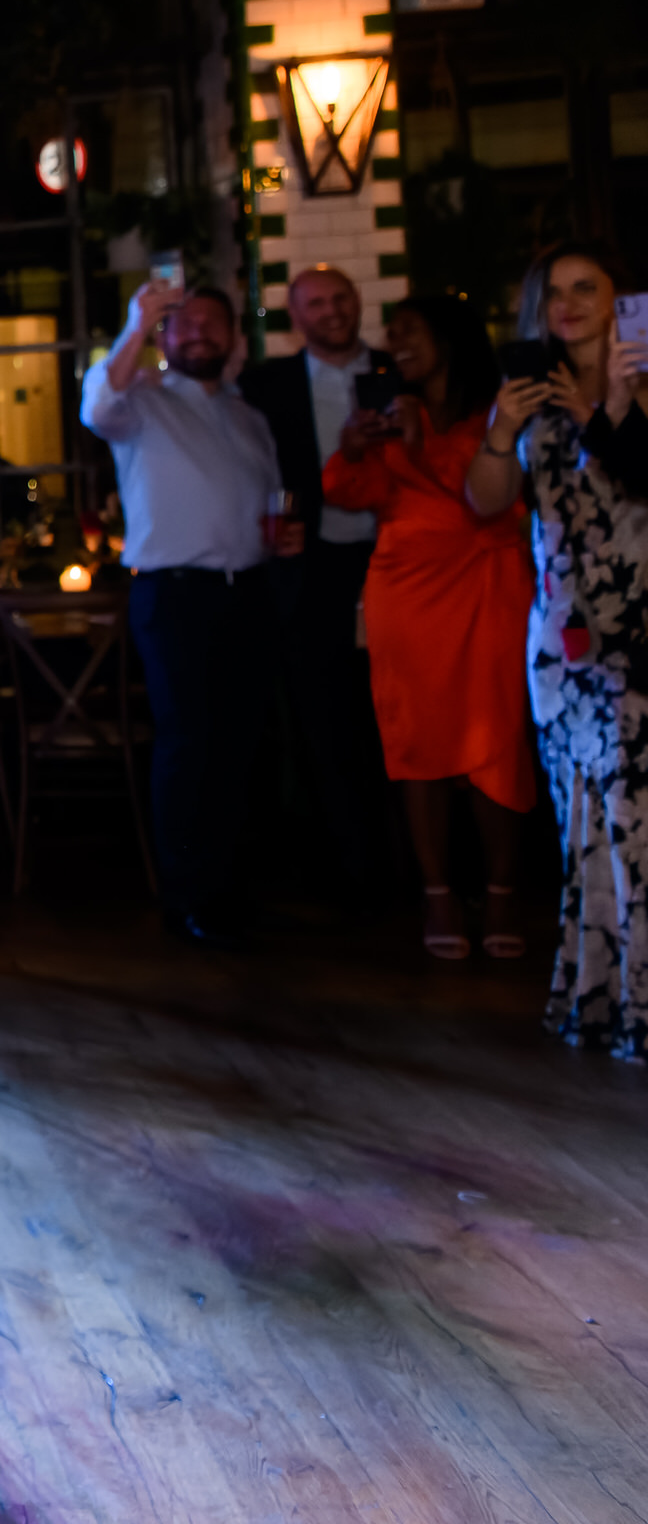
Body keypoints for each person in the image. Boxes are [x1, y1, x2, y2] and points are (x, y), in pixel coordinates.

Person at [465, 242, 648, 1059]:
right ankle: (601, 1001)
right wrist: (503, 430)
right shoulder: (526, 398)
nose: (569, 305)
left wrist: (598, 410)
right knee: (586, 825)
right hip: (562, 641)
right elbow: (487, 501)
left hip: (640, 628)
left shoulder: (640, 383)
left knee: (637, 821)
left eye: (588, 289)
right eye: (554, 293)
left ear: (619, 302)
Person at [83, 280, 298, 947]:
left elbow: (263, 506)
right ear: (169, 340)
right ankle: (187, 896)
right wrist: (137, 323)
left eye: (215, 323)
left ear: (234, 338)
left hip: (248, 590)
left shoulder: (249, 418)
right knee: (187, 744)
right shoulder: (140, 400)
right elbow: (97, 406)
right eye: (188, 323)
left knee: (237, 747)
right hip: (175, 595)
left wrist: (278, 537)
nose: (201, 331)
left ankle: (227, 884)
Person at [321, 291, 532, 958]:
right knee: (418, 748)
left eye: (410, 332)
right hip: (406, 593)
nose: (397, 345)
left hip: (485, 584)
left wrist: (423, 446)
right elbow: (351, 494)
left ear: (451, 337)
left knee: (494, 741)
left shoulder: (499, 410)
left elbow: (492, 506)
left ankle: (501, 894)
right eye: (394, 334)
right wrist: (354, 451)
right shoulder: (392, 410)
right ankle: (437, 895)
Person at [239, 264, 396, 900]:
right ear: (295, 317)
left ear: (357, 301)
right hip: (313, 571)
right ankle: (346, 870)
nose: (331, 311)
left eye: (340, 298)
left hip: (395, 565)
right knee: (323, 724)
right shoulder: (265, 384)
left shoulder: (394, 372)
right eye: (316, 304)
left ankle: (402, 865)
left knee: (392, 719)